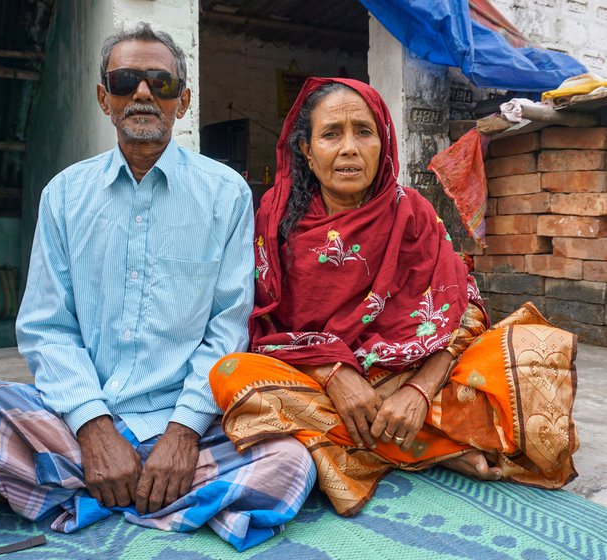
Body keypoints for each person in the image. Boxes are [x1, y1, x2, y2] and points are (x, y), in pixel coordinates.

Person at [0, 23, 314, 552]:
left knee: (290, 461)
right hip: (77, 416)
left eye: (160, 83)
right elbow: (47, 327)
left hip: (188, 421)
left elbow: (228, 325)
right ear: (104, 98)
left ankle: (85, 490)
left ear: (182, 101)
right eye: (126, 81)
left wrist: (184, 433)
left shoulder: (226, 194)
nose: (143, 93)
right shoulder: (64, 196)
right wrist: (93, 427)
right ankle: (147, 491)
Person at [209, 77, 579, 517]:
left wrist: (420, 390)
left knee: (534, 357)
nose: (349, 148)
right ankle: (430, 447)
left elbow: (465, 309)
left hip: (414, 375)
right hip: (322, 384)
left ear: (383, 143)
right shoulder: (274, 217)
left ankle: (388, 442)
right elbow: (263, 325)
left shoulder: (413, 211)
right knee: (234, 374)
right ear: (306, 151)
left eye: (364, 132)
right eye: (331, 134)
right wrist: (334, 374)